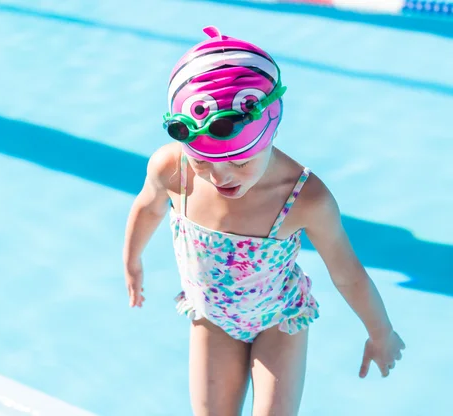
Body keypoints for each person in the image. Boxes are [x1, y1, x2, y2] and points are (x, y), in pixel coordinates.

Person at [122, 26, 405, 416]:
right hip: (213, 318)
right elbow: (148, 207)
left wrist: (381, 332)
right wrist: (132, 261)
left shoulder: (304, 197)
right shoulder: (173, 169)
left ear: (271, 130)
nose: (221, 178)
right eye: (204, 161)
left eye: (239, 161)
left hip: (279, 321)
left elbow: (348, 274)